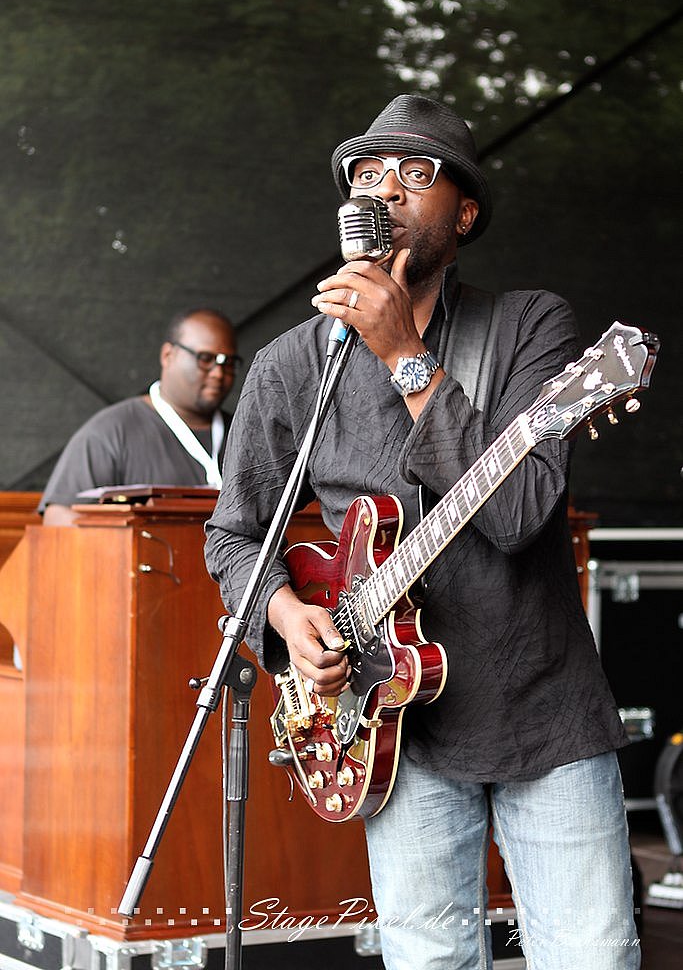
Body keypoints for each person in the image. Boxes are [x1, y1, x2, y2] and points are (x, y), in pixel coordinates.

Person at [204, 95, 639, 969]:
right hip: (391, 728)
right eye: (368, 174)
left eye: (416, 173)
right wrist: (289, 624)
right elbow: (235, 538)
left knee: (588, 956)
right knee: (429, 960)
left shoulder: (527, 325)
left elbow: (517, 516)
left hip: (541, 712)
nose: (388, 190)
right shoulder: (292, 364)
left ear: (464, 213)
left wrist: (403, 350)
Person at [41, 307, 240, 525]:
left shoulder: (246, 434)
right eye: (205, 358)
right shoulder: (110, 431)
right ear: (168, 355)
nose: (218, 373)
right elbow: (59, 517)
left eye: (227, 363)